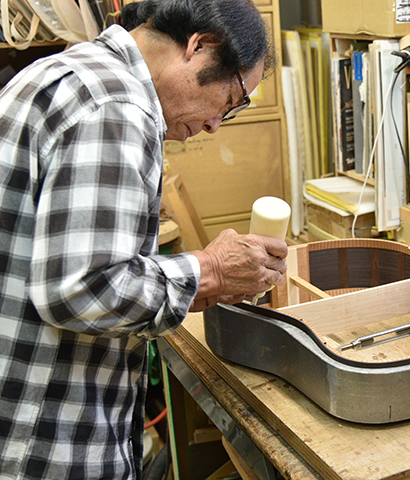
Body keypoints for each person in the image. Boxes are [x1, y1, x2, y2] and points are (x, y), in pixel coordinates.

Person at [0, 0, 288, 478]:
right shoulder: (115, 105)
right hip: (41, 445)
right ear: (199, 46)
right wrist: (210, 271)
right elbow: (82, 288)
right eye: (232, 99)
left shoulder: (65, 73)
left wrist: (190, 284)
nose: (216, 124)